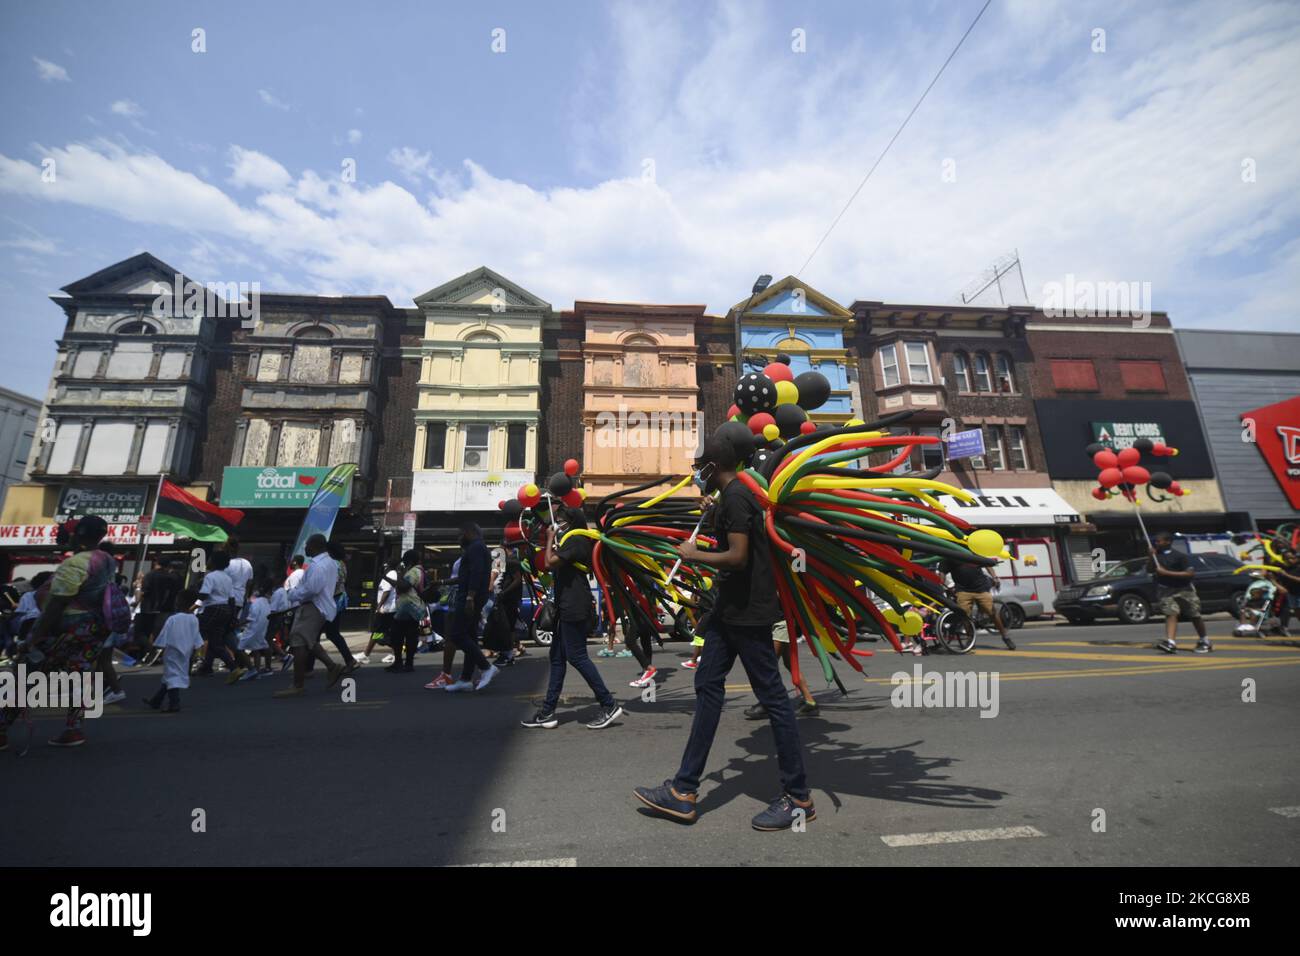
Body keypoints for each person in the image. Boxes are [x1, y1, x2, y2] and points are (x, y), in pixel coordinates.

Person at [632, 440, 813, 830]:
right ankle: (683, 791)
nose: (695, 474)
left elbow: (738, 556)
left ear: (712, 466)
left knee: (774, 699)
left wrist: (691, 554)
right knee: (708, 686)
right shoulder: (734, 496)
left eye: (698, 467)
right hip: (726, 612)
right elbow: (736, 537)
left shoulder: (737, 496)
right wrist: (713, 515)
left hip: (747, 615)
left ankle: (798, 798)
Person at [1, 515, 115, 749]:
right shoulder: (106, 559)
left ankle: (1, 729)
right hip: (94, 629)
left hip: (66, 628)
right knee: (80, 676)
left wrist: (34, 638)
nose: (65, 536)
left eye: (70, 532)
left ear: (79, 535)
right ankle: (73, 729)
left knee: (26, 673)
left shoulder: (75, 564)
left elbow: (57, 604)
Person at [522, 507, 621, 728]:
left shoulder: (577, 540)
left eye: (560, 521)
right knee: (557, 658)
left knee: (576, 657)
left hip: (574, 606)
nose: (556, 525)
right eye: (555, 521)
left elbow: (549, 562)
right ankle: (548, 712)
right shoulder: (569, 541)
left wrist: (549, 539)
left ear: (571, 522)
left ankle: (609, 704)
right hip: (565, 606)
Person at [274, 534, 346, 697]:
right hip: (319, 607)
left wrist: (293, 594)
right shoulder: (329, 563)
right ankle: (332, 667)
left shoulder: (318, 566)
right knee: (309, 642)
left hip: (312, 607)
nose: (305, 548)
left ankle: (298, 685)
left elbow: (312, 589)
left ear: (314, 546)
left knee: (298, 642)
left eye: (307, 545)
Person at [443, 522, 499, 693]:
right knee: (470, 637)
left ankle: (486, 667)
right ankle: (466, 679)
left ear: (469, 532)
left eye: (461, 535)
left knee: (457, 634)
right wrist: (443, 582)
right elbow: (466, 576)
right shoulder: (477, 548)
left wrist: (470, 597)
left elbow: (476, 572)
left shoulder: (475, 547)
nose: (459, 539)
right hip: (471, 596)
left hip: (468, 598)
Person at [195, 550, 253, 682]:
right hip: (226, 609)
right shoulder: (227, 578)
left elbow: (203, 595)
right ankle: (207, 667)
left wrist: (192, 607)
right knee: (216, 638)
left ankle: (231, 667)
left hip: (212, 609)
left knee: (207, 636)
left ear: (213, 562)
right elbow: (231, 598)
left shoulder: (210, 576)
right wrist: (232, 615)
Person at [143, 589, 205, 712]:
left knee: (172, 676)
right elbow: (197, 637)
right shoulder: (194, 619)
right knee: (170, 676)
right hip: (186, 651)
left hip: (173, 651)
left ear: (180, 602)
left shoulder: (173, 619)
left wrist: (156, 647)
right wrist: (197, 650)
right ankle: (156, 700)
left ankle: (174, 703)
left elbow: (164, 635)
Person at [1150, 531, 1211, 654]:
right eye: (1155, 541)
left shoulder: (1179, 556)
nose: (1156, 543)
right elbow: (1150, 569)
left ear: (1168, 542)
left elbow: (1189, 573)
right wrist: (1151, 557)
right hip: (1165, 590)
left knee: (1194, 615)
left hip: (1184, 590)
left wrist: (1167, 573)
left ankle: (1204, 640)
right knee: (1171, 613)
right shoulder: (1156, 556)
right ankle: (1171, 643)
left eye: (1159, 541)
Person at [743, 619, 818, 718]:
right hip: (778, 623)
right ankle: (810, 702)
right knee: (790, 664)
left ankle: (767, 704)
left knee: (768, 664)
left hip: (781, 624)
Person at [942, 555, 1015, 650]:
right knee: (964, 615)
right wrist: (943, 585)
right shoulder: (950, 555)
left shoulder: (974, 553)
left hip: (981, 588)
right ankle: (970, 639)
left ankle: (1005, 636)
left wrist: (995, 577)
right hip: (963, 590)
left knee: (992, 612)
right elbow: (942, 571)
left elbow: (987, 564)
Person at [359, 562, 399, 665]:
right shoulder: (392, 574)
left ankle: (366, 654)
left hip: (386, 609)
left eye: (385, 567)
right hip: (388, 609)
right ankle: (394, 654)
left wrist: (379, 606)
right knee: (386, 632)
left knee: (377, 631)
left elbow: (386, 591)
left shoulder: (390, 574)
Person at [236, 583, 273, 678]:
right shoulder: (266, 602)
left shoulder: (256, 603)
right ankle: (256, 671)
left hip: (253, 629)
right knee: (256, 649)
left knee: (240, 648)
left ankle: (251, 669)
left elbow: (251, 617)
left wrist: (239, 624)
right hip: (261, 629)